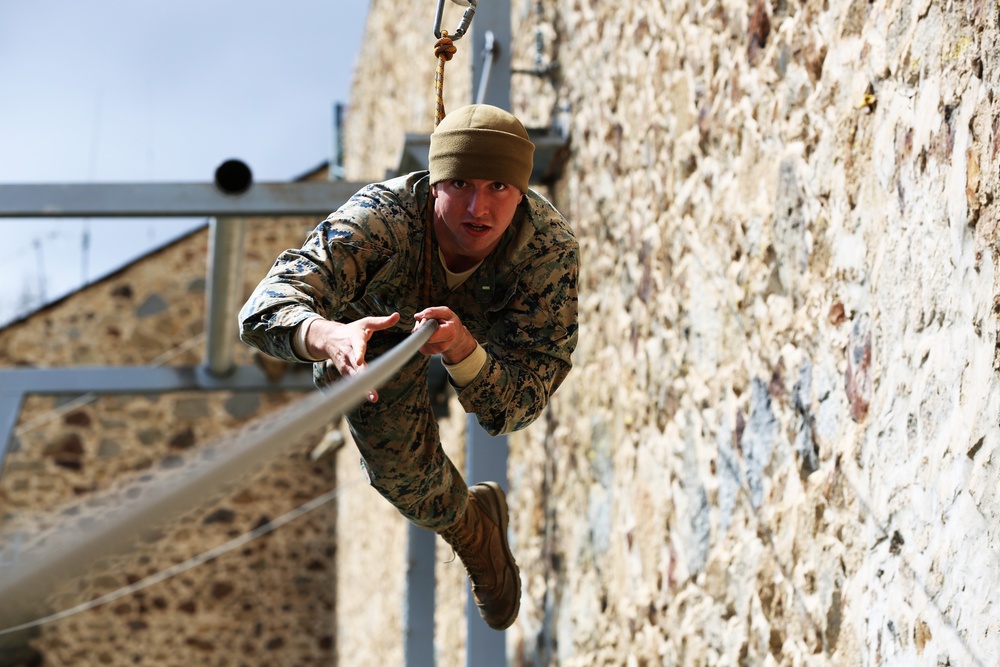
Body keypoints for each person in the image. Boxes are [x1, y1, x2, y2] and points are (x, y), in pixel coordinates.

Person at [238, 104, 578, 631]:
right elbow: (264, 307)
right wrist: (331, 337)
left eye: (498, 188)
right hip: (371, 333)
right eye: (460, 182)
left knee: (504, 411)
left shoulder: (547, 249)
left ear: (521, 191)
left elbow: (522, 398)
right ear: (435, 181)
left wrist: (464, 350)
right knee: (402, 475)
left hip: (483, 330)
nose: (477, 207)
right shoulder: (380, 218)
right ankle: (473, 529)